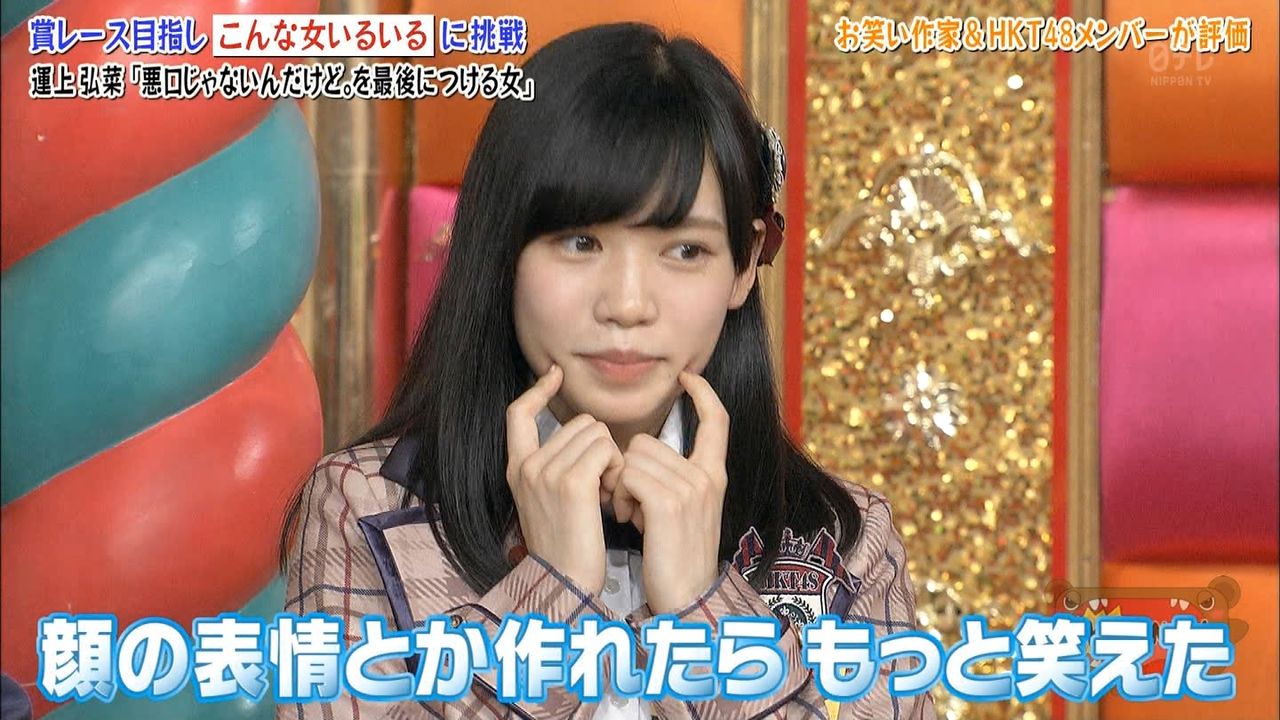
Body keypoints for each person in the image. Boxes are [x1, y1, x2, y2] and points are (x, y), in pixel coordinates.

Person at [280, 22, 936, 720]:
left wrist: (701, 612)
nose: (626, 304)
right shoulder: (365, 507)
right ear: (502, 249)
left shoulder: (844, 541)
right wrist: (551, 593)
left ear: (744, 265)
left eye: (684, 251)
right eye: (580, 242)